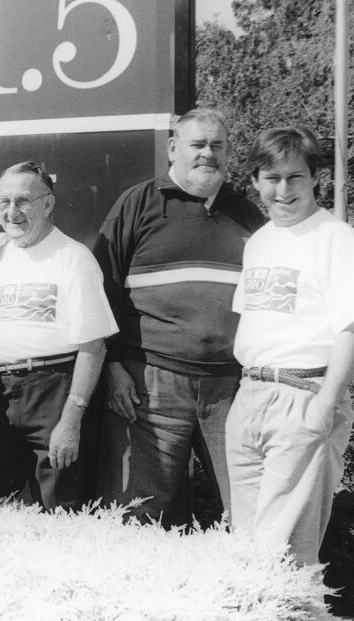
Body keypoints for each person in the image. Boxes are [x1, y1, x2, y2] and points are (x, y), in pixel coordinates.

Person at [96, 108, 266, 527]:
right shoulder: (139, 203)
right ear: (173, 148)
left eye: (217, 145)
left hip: (232, 387)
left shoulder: (249, 216)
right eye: (198, 144)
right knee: (139, 515)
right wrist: (114, 365)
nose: (208, 153)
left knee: (252, 512)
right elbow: (102, 289)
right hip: (151, 384)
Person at [226, 126, 354, 565]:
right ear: (255, 181)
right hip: (252, 396)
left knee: (288, 551)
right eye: (271, 178)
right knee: (248, 545)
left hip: (303, 395)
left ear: (315, 177)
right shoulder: (258, 242)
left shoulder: (337, 239)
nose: (283, 189)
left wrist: (325, 404)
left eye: (295, 177)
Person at [0, 161, 116, 509]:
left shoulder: (74, 258)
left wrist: (71, 420)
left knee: (60, 510)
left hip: (55, 392)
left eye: (23, 201)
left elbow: (94, 346)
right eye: (4, 202)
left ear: (48, 204)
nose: (11, 211)